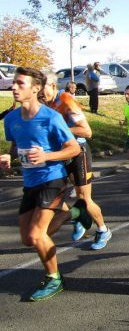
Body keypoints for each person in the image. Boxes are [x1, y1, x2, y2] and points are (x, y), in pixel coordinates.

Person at [2, 66, 91, 301]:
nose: (14, 87)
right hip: (30, 182)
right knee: (27, 238)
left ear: (36, 88)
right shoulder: (11, 118)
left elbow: (73, 148)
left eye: (20, 83)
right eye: (14, 82)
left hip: (53, 178)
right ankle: (75, 211)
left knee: (37, 234)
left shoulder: (51, 117)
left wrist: (47, 156)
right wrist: (9, 157)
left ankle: (54, 278)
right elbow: (15, 144)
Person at [41, 73, 111, 249]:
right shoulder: (43, 104)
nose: (39, 92)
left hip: (78, 153)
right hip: (60, 153)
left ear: (53, 87)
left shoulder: (66, 101)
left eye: (42, 88)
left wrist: (59, 129)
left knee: (84, 198)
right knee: (53, 196)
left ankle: (103, 229)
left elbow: (87, 131)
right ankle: (75, 216)